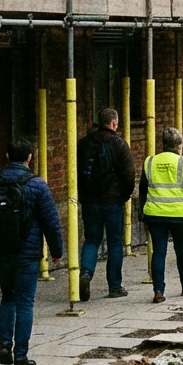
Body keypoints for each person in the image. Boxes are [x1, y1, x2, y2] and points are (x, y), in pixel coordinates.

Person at [0, 138, 64, 365]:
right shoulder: (37, 185)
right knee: (25, 303)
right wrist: (56, 252)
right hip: (28, 253)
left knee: (8, 297)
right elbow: (51, 222)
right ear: (30, 157)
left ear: (7, 156)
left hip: (1, 251)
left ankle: (4, 347)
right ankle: (21, 357)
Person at [139, 127, 183, 303]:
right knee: (182, 250)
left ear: (164, 144)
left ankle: (158, 291)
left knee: (158, 251)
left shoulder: (150, 162)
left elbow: (143, 191)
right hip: (179, 215)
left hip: (154, 215)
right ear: (179, 145)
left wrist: (141, 212)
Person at [77, 107, 135, 301]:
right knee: (114, 243)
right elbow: (129, 176)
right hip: (113, 203)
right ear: (114, 123)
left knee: (92, 240)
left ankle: (85, 273)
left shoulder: (84, 144)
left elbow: (77, 172)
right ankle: (115, 286)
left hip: (90, 202)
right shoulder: (119, 145)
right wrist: (122, 197)